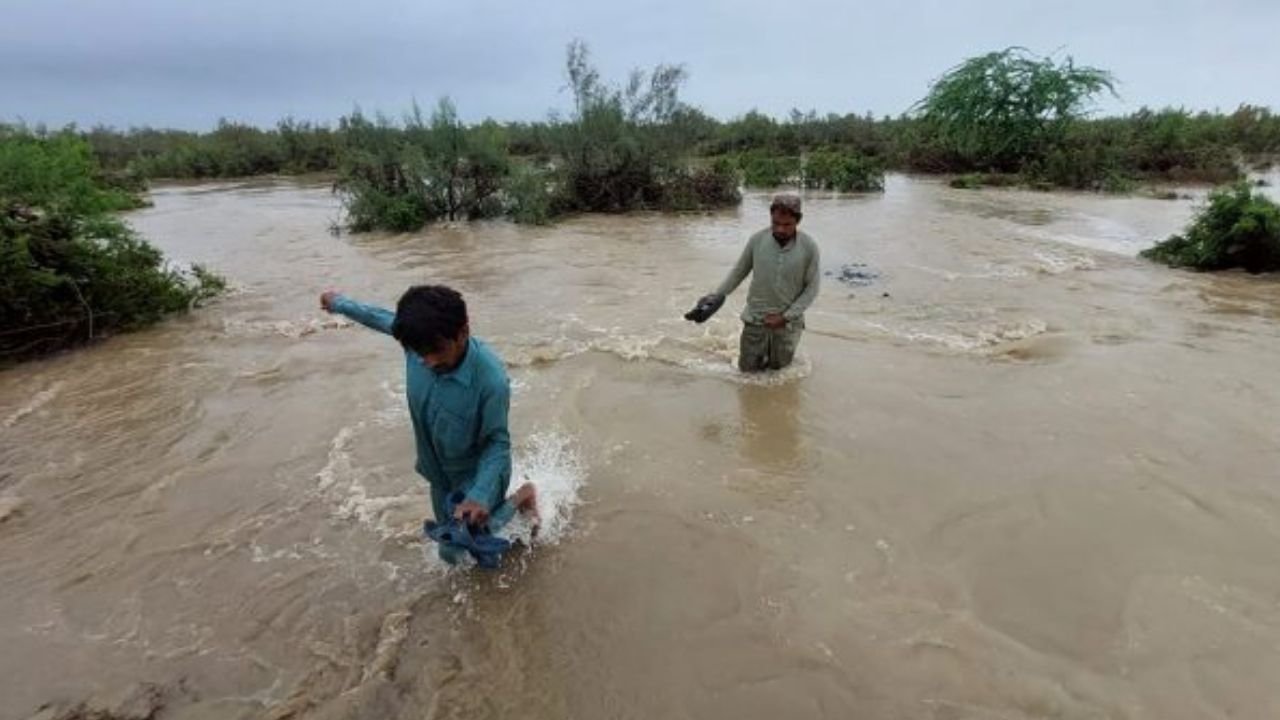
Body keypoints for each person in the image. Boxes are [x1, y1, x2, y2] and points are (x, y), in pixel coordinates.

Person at [320, 285, 537, 563]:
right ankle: (503, 514)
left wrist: (480, 495)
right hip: (437, 473)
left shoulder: (491, 381)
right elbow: (379, 317)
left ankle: (521, 496)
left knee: (456, 550)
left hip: (478, 474)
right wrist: (339, 303)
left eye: (437, 350)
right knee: (451, 546)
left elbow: (497, 444)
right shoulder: (417, 343)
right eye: (420, 352)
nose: (429, 361)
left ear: (463, 332)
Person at [699, 193, 820, 372]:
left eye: (787, 225)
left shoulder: (809, 247)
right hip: (755, 321)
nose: (780, 229)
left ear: (798, 221)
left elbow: (812, 288)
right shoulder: (757, 240)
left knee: (780, 376)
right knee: (747, 374)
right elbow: (738, 272)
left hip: (788, 326)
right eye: (775, 223)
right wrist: (715, 296)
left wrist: (785, 317)